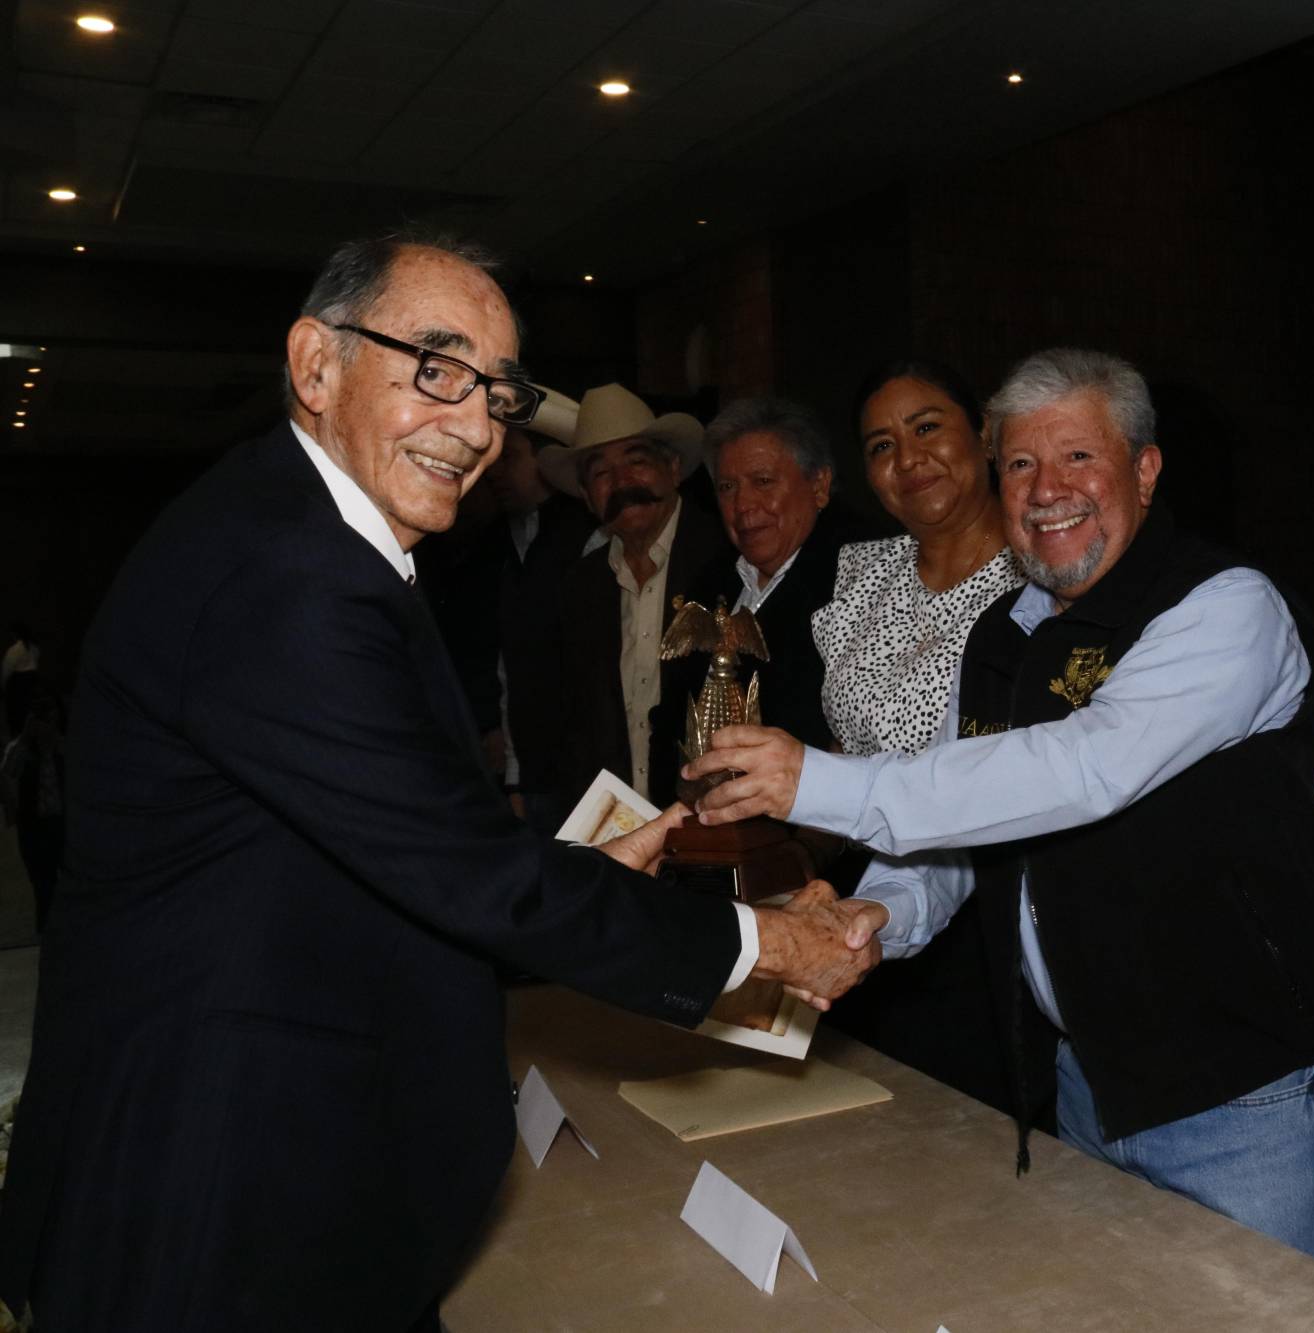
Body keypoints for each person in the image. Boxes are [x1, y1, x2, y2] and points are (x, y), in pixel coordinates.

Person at [0, 230, 877, 1333]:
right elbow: (463, 869)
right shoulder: (288, 572)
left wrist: (569, 869)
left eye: (496, 392)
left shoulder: (306, 531)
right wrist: (765, 945)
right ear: (315, 365)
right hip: (217, 1178)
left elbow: (375, 840)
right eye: (436, 368)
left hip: (270, 1142)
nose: (475, 426)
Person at [687, 348, 1314, 1265]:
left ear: (1145, 470)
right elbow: (971, 815)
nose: (1048, 490)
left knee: (1268, 1320)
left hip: (1240, 1095)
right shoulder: (1003, 635)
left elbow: (1081, 770)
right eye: (1020, 463)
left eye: (1079, 457)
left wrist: (820, 782)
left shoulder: (1225, 606)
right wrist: (878, 911)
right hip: (1082, 1084)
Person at [805, 360, 1024, 1109]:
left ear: (984, 433)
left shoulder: (1040, 578)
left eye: (927, 427)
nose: (908, 458)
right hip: (864, 902)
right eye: (881, 446)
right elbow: (851, 743)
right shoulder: (862, 573)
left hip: (987, 914)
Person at [539, 384, 728, 806]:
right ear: (587, 498)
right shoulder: (580, 586)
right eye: (601, 474)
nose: (622, 482)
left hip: (711, 818)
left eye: (637, 461)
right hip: (619, 825)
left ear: (673, 469)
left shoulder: (724, 561)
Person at [675, 396, 850, 751]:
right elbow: (672, 716)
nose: (743, 505)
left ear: (818, 486)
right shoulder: (709, 583)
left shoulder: (853, 585)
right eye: (727, 487)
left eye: (764, 481)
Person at [484, 394, 598, 834]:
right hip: (539, 779)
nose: (494, 471)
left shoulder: (586, 539)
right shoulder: (511, 542)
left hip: (583, 779)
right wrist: (516, 777)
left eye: (509, 457)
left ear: (547, 461)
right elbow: (511, 666)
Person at [0, 685, 63, 935]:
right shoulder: (22, 748)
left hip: (63, 825)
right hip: (35, 828)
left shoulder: (66, 744)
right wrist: (27, 737)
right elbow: (9, 772)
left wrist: (54, 742)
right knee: (43, 886)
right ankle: (48, 935)